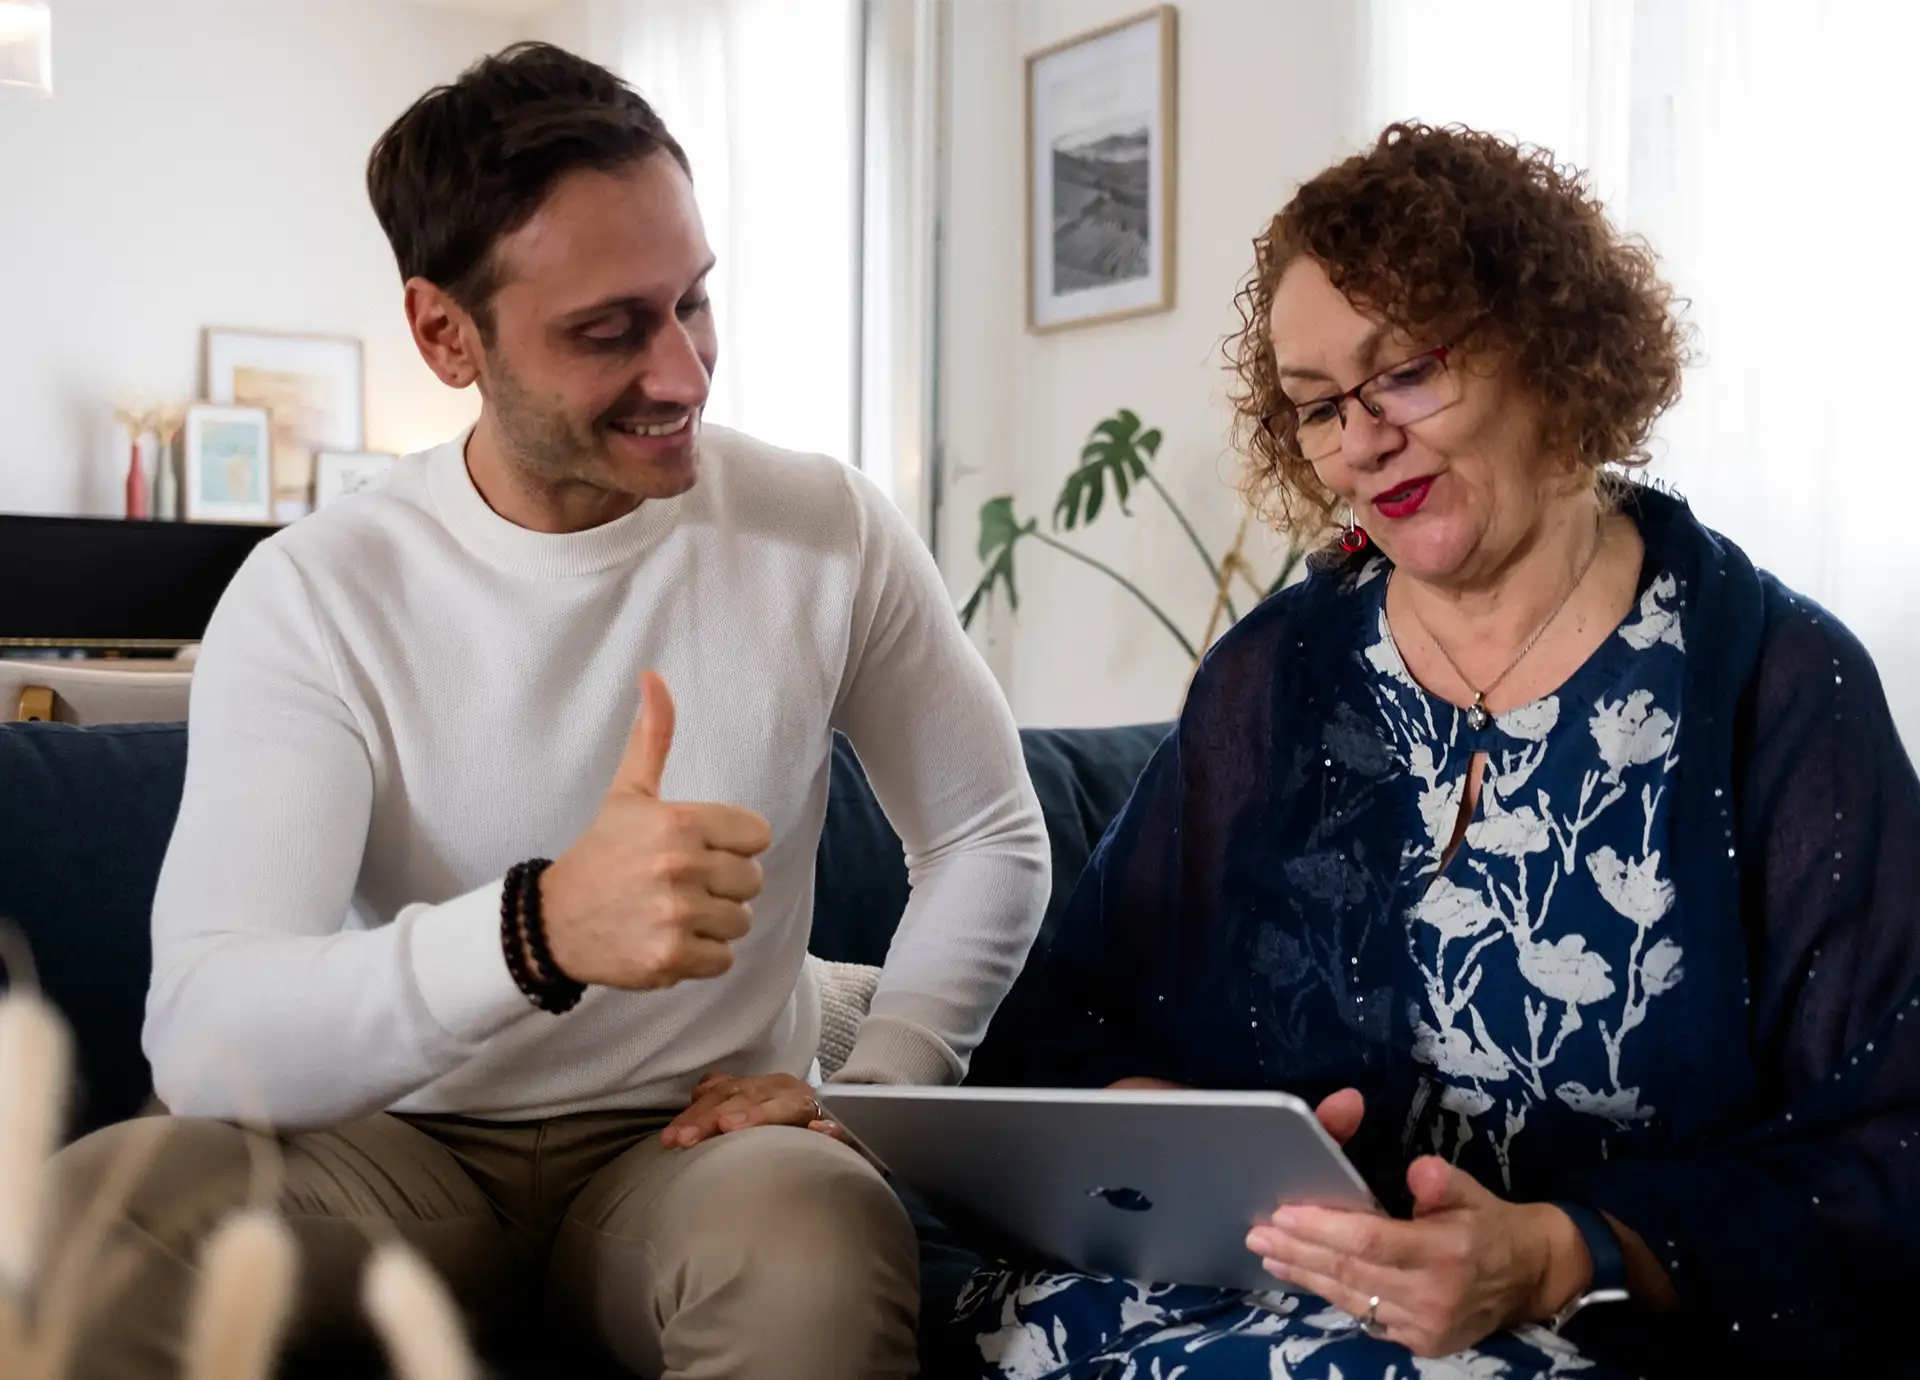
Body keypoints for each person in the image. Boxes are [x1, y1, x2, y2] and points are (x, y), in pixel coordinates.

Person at [48, 42, 1050, 1380]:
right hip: (394, 1148)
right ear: (444, 333)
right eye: (610, 329)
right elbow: (208, 1030)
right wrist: (540, 930)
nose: (685, 372)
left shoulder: (823, 528)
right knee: (94, 1223)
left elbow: (987, 833)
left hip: (693, 1145)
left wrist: (891, 1078)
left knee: (817, 1243)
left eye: (694, 302)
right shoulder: (320, 592)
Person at [945, 123, 1920, 1379]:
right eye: (1317, 407)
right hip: (1255, 1298)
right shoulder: (1273, 675)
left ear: (1551, 350)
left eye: (1404, 373)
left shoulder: (1778, 687)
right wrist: (1155, 1126)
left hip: (1581, 1336)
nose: (1360, 441)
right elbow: (1068, 1026)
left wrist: (1560, 1252)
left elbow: (1887, 1152)